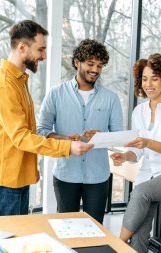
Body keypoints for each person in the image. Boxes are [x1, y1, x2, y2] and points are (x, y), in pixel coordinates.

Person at [0, 20, 93, 217]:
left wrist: (63, 140)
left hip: (17, 178)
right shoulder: (4, 85)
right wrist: (67, 148)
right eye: (40, 49)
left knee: (17, 240)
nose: (44, 56)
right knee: (7, 244)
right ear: (22, 47)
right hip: (3, 181)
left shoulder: (18, 81)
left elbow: (27, 132)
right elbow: (21, 137)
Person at [110, 53, 161, 252]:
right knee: (139, 235)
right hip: (149, 175)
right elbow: (137, 152)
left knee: (140, 192)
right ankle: (125, 246)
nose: (148, 84)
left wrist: (147, 142)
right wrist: (125, 155)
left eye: (154, 78)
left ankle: (115, 245)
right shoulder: (139, 111)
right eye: (145, 78)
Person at [37, 39, 123, 224]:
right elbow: (41, 130)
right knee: (67, 228)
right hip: (66, 174)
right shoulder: (55, 94)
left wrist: (100, 137)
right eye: (91, 64)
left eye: (100, 66)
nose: (96, 70)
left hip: (98, 177)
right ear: (77, 62)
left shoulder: (111, 98)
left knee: (96, 230)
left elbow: (118, 135)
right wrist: (66, 140)